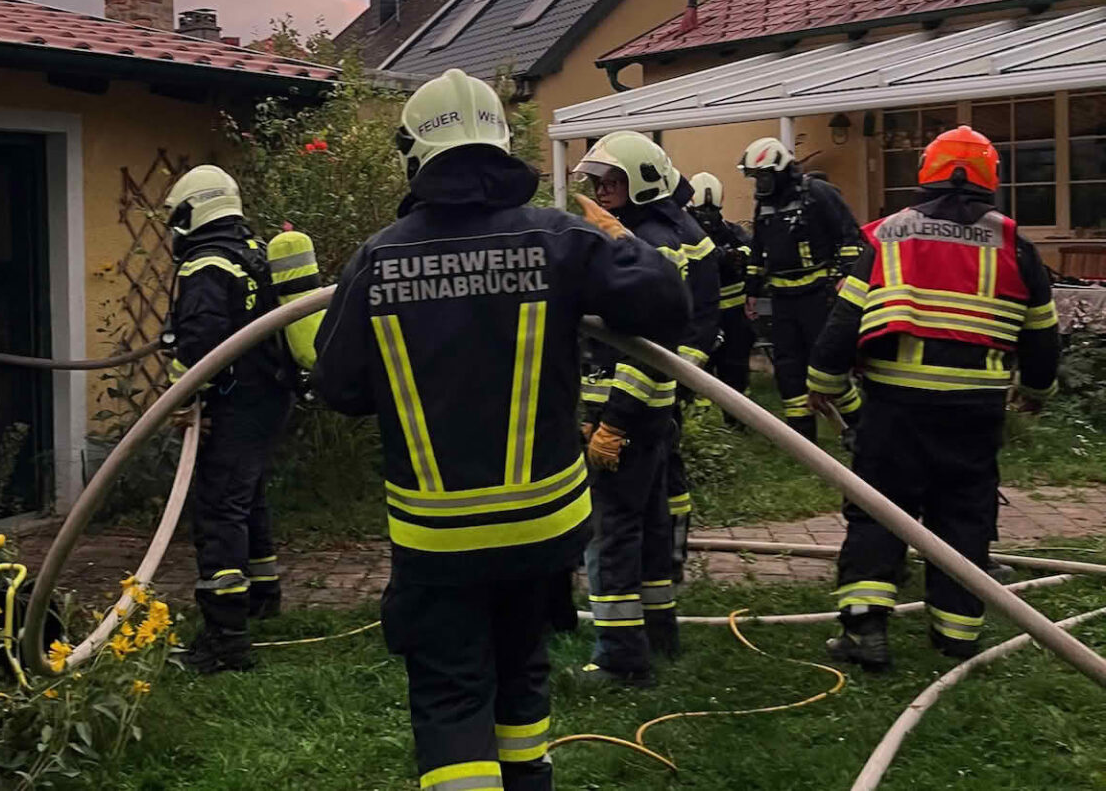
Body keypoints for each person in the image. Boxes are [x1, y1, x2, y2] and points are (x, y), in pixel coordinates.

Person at [313, 69, 688, 791]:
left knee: (451, 693)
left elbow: (339, 386)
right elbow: (665, 302)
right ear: (500, 143)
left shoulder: (378, 256)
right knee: (522, 670)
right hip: (543, 529)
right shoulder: (560, 238)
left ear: (415, 154)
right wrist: (615, 236)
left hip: (436, 538)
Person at [806, 126, 1060, 670]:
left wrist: (823, 382)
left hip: (895, 406)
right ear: (991, 178)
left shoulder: (889, 236)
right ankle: (958, 635)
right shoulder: (1015, 243)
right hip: (975, 410)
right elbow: (1041, 334)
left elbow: (845, 319)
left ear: (926, 173)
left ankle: (865, 632)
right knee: (963, 513)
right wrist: (1037, 391)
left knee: (879, 511)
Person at [572, 132, 719, 682]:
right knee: (653, 525)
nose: (602, 192)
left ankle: (619, 657)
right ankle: (660, 632)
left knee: (611, 534)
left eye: (612, 182)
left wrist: (612, 421)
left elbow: (643, 342)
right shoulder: (674, 229)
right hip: (655, 408)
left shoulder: (646, 243)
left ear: (640, 180)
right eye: (597, 182)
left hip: (627, 409)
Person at [162, 166, 321, 673]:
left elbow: (200, 346)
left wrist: (180, 400)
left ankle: (226, 638)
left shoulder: (205, 264)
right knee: (245, 497)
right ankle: (261, 595)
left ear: (194, 210)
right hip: (268, 397)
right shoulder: (250, 253)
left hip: (231, 403)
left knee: (218, 510)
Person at [739, 137, 865, 444]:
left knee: (826, 367)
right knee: (788, 371)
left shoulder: (817, 194)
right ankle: (804, 444)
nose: (760, 184)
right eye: (755, 177)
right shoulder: (765, 205)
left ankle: (860, 428)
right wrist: (752, 290)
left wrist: (845, 276)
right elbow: (758, 250)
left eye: (764, 176)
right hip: (783, 302)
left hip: (817, 298)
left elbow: (850, 235)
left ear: (781, 170)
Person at [689, 172, 756, 398]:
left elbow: (752, 249)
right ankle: (700, 417)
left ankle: (737, 420)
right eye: (702, 211)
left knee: (735, 366)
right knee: (699, 365)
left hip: (734, 316)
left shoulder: (732, 231)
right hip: (701, 314)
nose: (707, 217)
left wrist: (739, 255)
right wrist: (721, 257)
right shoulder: (685, 232)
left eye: (712, 211)